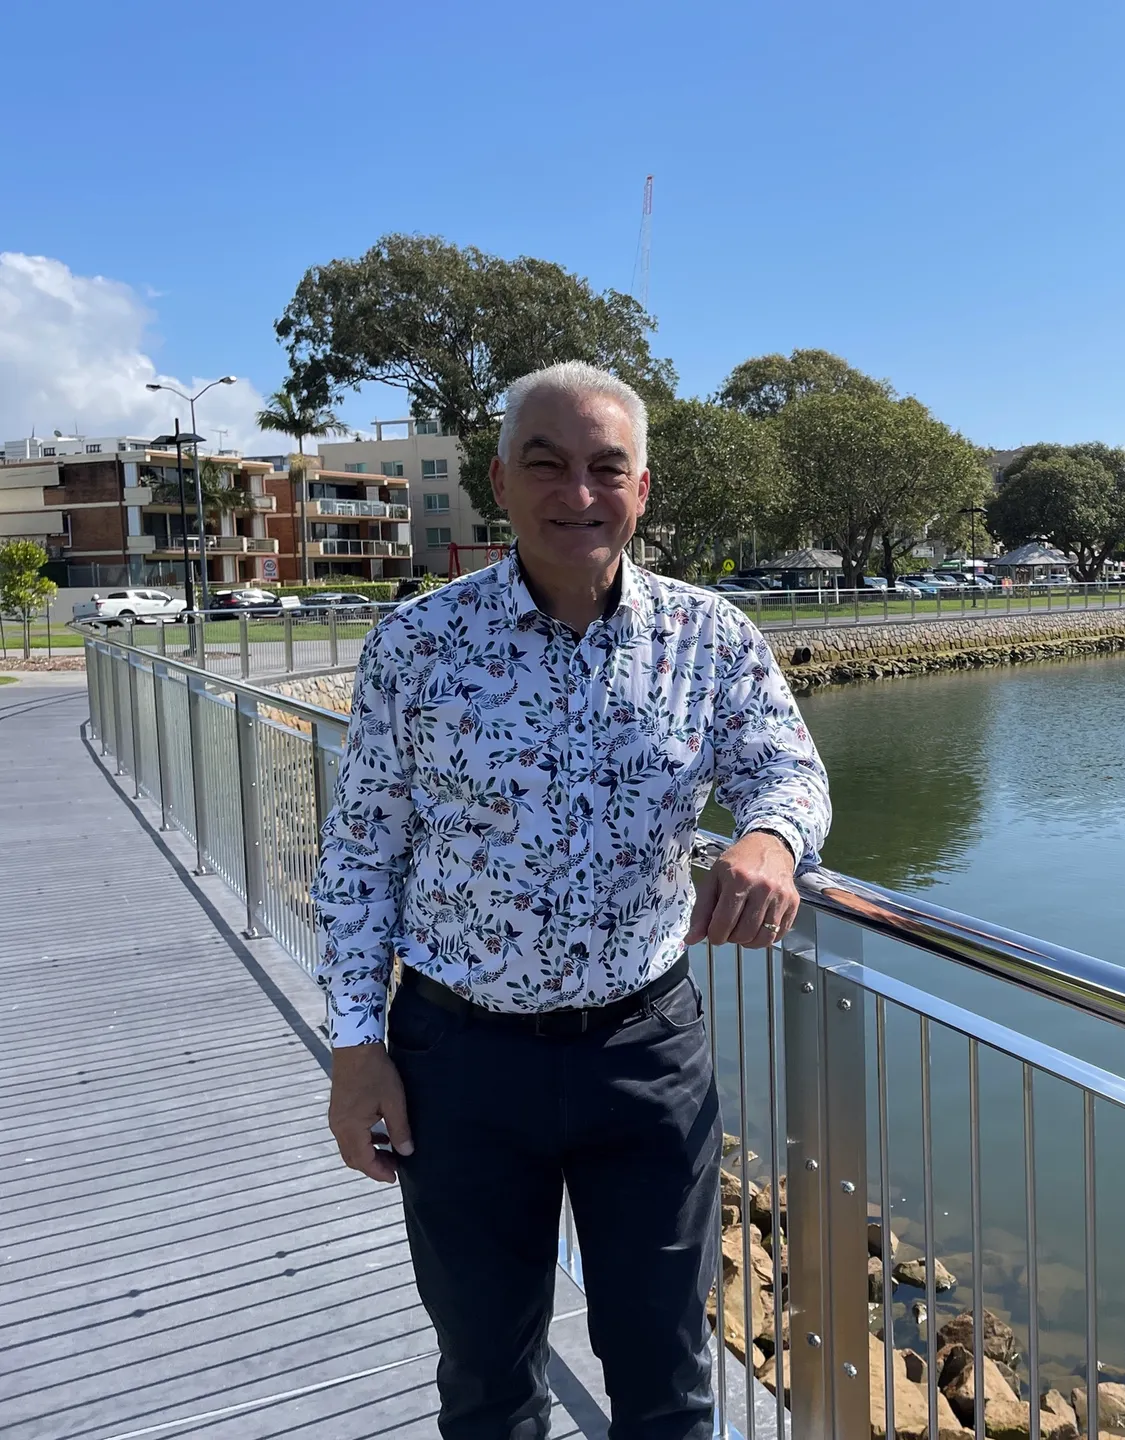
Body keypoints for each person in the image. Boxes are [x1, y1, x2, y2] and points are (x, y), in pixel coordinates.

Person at [313, 361, 831, 1440]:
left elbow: (788, 768)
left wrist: (771, 844)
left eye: (607, 468)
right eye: (546, 464)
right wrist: (356, 1049)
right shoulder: (414, 646)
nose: (577, 492)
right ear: (499, 481)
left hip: (642, 1056)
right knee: (488, 1381)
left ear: (643, 490)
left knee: (667, 1378)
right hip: (459, 1064)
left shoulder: (710, 637)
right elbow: (362, 857)